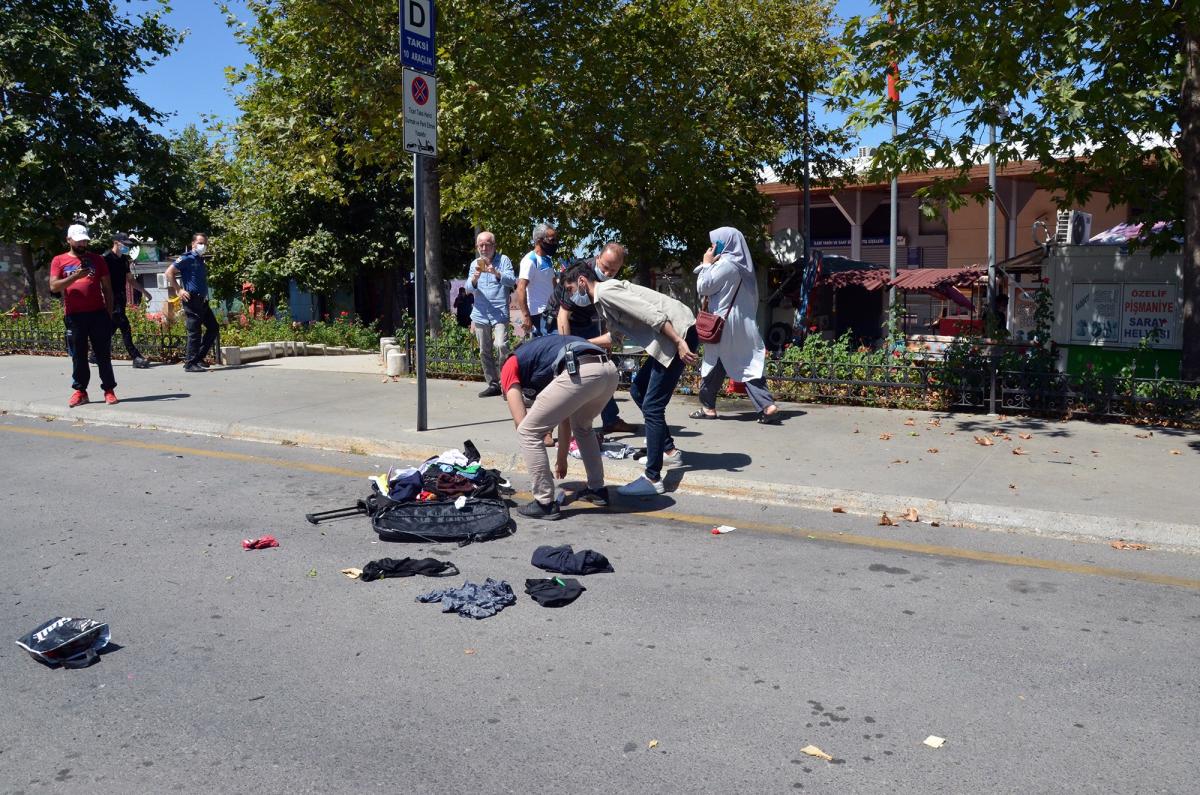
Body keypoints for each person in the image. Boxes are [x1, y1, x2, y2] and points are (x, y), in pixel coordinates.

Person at [562, 261, 698, 497]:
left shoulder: (606, 292)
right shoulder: (603, 301)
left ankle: (652, 477)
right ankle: (669, 453)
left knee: (653, 405)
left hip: (677, 334)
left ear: (582, 281)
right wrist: (578, 344)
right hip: (670, 336)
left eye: (571, 289)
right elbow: (614, 338)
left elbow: (652, 315)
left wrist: (678, 342)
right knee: (639, 390)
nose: (572, 297)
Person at [501, 334, 619, 520]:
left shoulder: (509, 364)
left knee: (527, 431)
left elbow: (522, 422)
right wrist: (561, 458)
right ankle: (597, 490)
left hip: (581, 370)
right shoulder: (544, 354)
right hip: (609, 371)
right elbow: (564, 415)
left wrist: (540, 469)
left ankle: (544, 503)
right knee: (582, 427)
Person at [545, 244, 639, 435]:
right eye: (604, 267)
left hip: (586, 320)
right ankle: (547, 427)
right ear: (598, 258)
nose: (607, 272)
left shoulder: (611, 281)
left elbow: (605, 311)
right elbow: (563, 316)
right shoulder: (578, 274)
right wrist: (567, 350)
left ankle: (611, 420)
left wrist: (605, 341)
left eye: (613, 270)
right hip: (560, 320)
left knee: (600, 368)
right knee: (562, 372)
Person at [693, 226, 781, 423]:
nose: (714, 245)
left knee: (714, 361)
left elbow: (703, 286)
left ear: (727, 243)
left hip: (724, 325)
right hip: (743, 324)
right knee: (746, 363)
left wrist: (706, 264)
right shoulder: (743, 267)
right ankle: (767, 406)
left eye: (718, 242)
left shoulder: (727, 265)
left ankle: (708, 407)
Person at [48, 224, 119, 406]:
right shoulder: (59, 260)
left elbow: (108, 289)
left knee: (103, 354)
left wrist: (108, 314)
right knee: (79, 355)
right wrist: (75, 277)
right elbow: (54, 286)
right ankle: (81, 391)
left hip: (98, 314)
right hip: (75, 316)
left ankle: (109, 390)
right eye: (78, 241)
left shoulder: (97, 260)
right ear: (69, 240)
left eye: (85, 240)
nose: (82, 244)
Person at [465, 231, 516, 397]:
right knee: (484, 350)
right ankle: (493, 384)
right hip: (480, 313)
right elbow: (468, 288)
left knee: (501, 345)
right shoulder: (475, 264)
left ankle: (505, 382)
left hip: (499, 312)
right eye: (480, 245)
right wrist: (474, 279)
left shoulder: (504, 260)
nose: (484, 248)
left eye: (487, 244)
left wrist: (496, 273)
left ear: (494, 246)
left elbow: (512, 281)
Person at [165, 233, 218, 373]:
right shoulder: (187, 258)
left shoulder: (200, 259)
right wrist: (179, 290)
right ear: (193, 243)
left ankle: (198, 358)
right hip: (192, 299)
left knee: (213, 328)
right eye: (200, 243)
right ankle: (190, 363)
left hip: (202, 300)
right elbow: (169, 272)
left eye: (205, 243)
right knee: (195, 331)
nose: (203, 246)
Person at [103, 232, 149, 369]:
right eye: (125, 244)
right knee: (125, 326)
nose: (127, 247)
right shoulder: (105, 258)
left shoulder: (124, 260)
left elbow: (130, 279)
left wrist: (144, 291)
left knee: (112, 327)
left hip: (121, 297)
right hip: (110, 297)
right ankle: (136, 356)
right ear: (116, 243)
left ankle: (95, 353)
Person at [516, 223, 559, 337]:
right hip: (539, 315)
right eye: (552, 240)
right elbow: (521, 288)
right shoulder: (530, 260)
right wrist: (526, 316)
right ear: (540, 241)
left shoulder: (547, 259)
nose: (555, 243)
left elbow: (553, 283)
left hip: (551, 311)